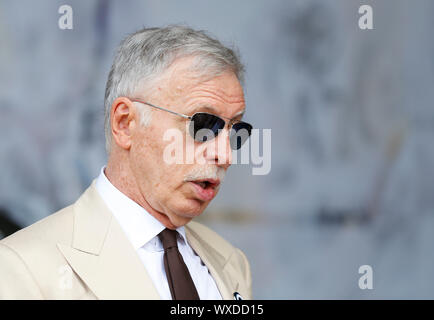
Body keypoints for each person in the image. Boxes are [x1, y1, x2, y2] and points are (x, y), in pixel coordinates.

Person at [0, 25, 252, 300]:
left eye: (236, 131)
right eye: (203, 125)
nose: (226, 156)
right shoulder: (21, 268)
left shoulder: (232, 263)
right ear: (125, 123)